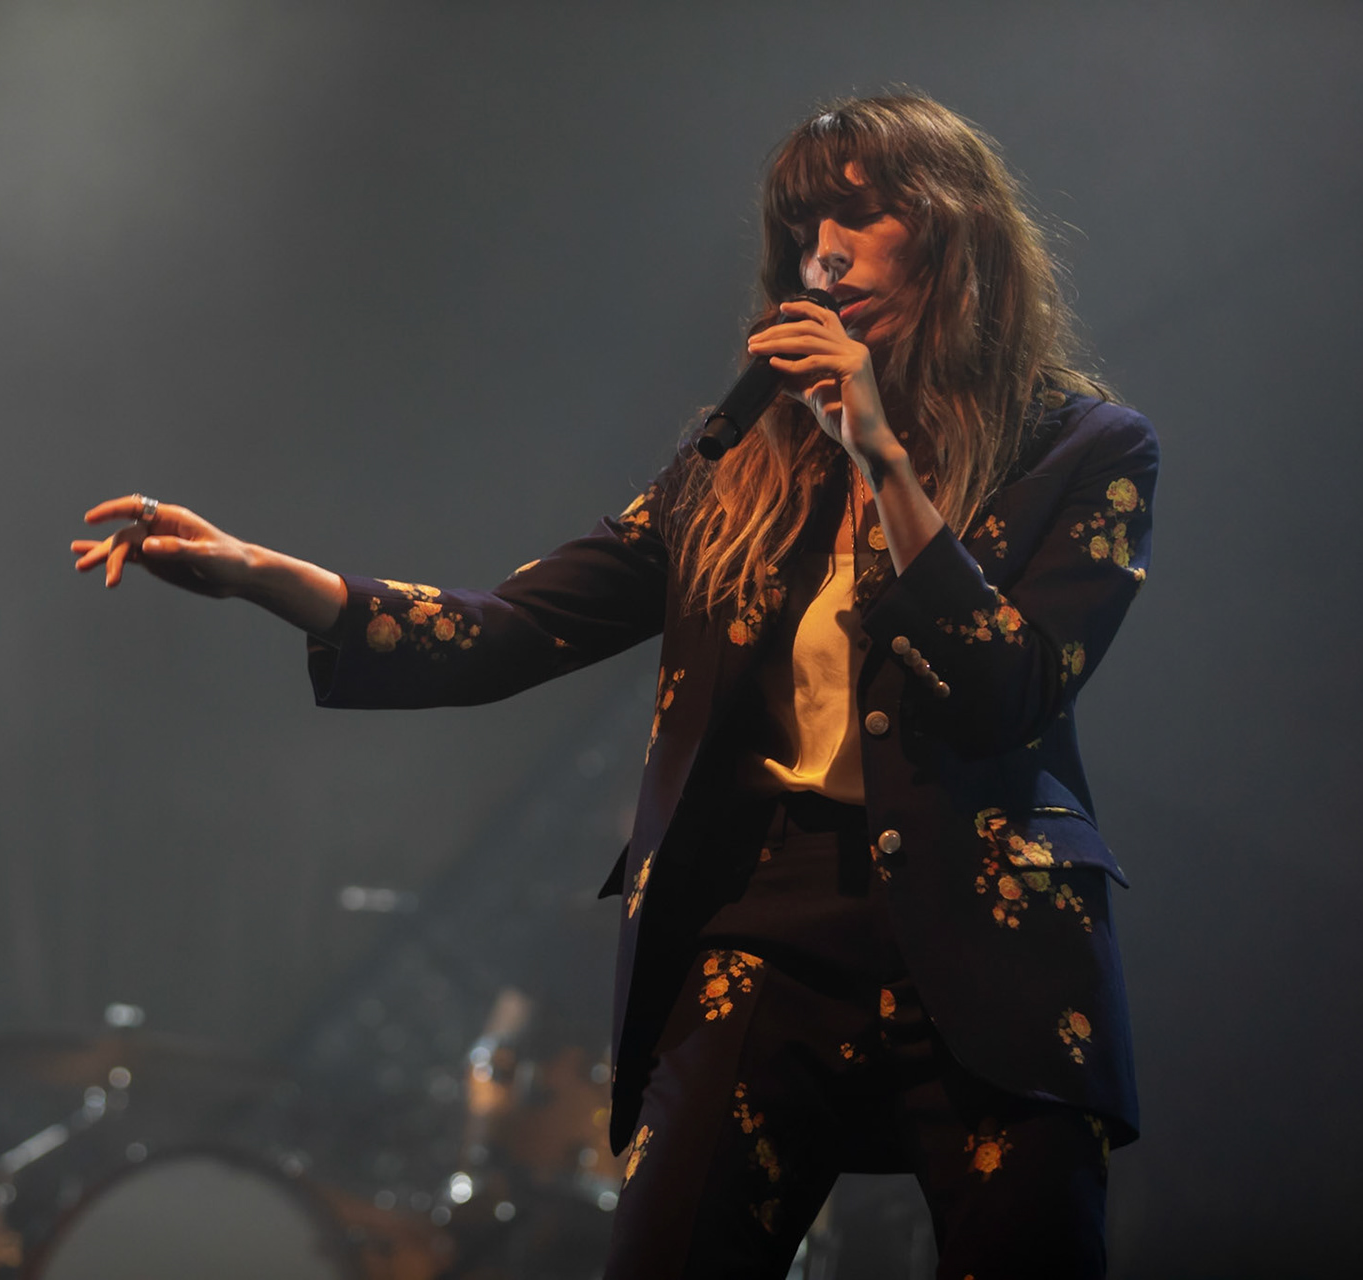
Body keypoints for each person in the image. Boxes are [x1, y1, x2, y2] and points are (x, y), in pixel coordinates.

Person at [71, 93, 1155, 1278]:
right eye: (803, 229)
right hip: (763, 926)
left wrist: (883, 459)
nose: (824, 255)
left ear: (953, 229)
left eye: (859, 216)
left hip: (992, 938)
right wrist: (262, 574)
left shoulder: (1084, 449)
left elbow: (1009, 685)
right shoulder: (741, 466)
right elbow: (510, 630)